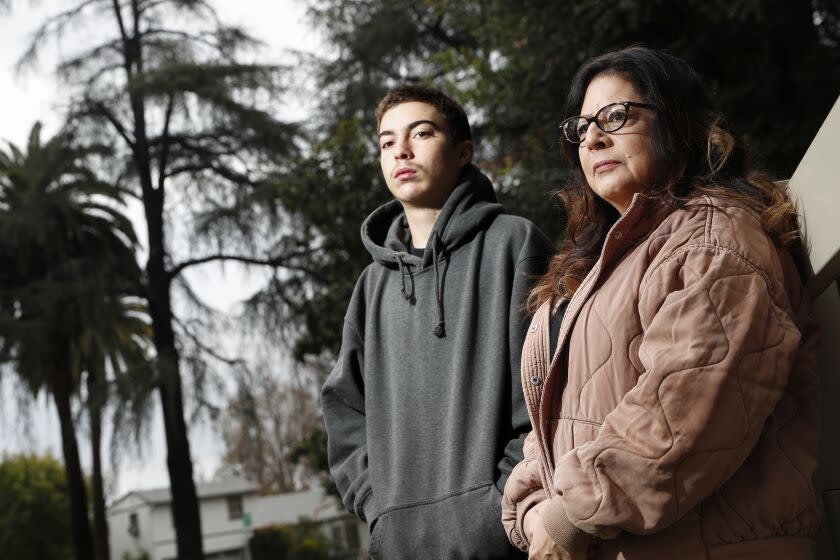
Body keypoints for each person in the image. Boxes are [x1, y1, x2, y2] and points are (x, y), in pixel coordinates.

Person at [501, 46, 820, 560]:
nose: (594, 138)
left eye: (616, 116)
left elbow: (689, 403)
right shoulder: (593, 269)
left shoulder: (714, 237)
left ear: (674, 119)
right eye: (580, 128)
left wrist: (570, 513)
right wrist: (535, 504)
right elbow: (556, 423)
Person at [322, 84, 554, 559]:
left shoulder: (513, 244)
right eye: (387, 142)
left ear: (463, 151)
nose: (401, 151)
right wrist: (379, 508)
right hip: (399, 547)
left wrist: (498, 505)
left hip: (499, 539)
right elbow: (344, 410)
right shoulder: (371, 286)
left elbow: (548, 387)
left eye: (421, 133)